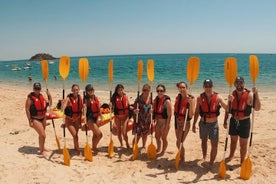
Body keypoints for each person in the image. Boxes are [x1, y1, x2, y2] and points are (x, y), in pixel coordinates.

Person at [224, 76, 261, 164]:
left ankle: (242, 161)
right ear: (234, 84)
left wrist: (257, 94)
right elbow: (228, 109)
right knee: (233, 141)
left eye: (241, 82)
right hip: (233, 120)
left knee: (243, 144)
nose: (239, 84)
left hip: (245, 122)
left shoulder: (250, 94)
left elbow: (257, 108)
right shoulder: (232, 94)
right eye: (237, 82)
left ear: (244, 83)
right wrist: (225, 121)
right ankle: (231, 156)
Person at [192, 79, 228, 168]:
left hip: (213, 124)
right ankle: (204, 157)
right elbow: (196, 112)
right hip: (203, 123)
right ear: (203, 87)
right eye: (206, 86)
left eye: (210, 86)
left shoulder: (218, 97)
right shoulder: (200, 98)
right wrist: (194, 124)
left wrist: (230, 101)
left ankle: (211, 162)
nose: (208, 88)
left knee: (214, 144)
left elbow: (227, 108)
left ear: (212, 86)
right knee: (203, 141)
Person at [25, 82, 52, 158]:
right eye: (36, 89)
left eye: (39, 89)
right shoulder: (30, 98)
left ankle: (42, 147)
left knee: (41, 135)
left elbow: (49, 104)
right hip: (35, 119)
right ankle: (42, 151)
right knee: (43, 135)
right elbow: (27, 110)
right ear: (33, 89)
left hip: (43, 118)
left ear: (40, 89)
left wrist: (49, 95)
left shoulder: (42, 96)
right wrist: (30, 120)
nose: (37, 90)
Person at [174, 81, 195, 163]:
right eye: (180, 87)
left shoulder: (191, 99)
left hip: (185, 123)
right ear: (178, 89)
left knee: (179, 142)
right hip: (177, 121)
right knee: (178, 141)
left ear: (187, 88)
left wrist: (190, 104)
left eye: (183, 87)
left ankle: (182, 158)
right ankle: (181, 156)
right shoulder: (177, 97)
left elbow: (191, 115)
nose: (182, 89)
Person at [62, 84, 83, 156]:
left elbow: (81, 111)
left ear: (79, 90)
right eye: (74, 90)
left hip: (77, 119)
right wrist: (63, 104)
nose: (75, 91)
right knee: (75, 135)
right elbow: (63, 107)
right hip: (69, 120)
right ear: (71, 90)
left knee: (75, 135)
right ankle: (78, 150)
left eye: (77, 90)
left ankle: (75, 147)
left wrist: (80, 123)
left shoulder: (80, 98)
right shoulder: (68, 98)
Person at [153, 84, 172, 156]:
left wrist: (166, 125)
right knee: (157, 136)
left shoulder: (167, 102)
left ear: (164, 91)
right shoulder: (156, 100)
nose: (159, 92)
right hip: (158, 122)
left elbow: (170, 115)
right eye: (158, 91)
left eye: (161, 91)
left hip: (165, 122)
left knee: (164, 138)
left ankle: (163, 151)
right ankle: (158, 148)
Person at [83, 84, 103, 154]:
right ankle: (94, 147)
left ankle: (94, 147)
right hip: (90, 119)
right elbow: (84, 107)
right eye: (89, 90)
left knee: (95, 134)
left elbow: (98, 108)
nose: (90, 91)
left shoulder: (95, 97)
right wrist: (84, 107)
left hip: (96, 117)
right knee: (100, 134)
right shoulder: (86, 99)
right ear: (86, 91)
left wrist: (101, 116)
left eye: (92, 90)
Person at [132, 84, 152, 151]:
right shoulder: (138, 99)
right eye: (144, 90)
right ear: (142, 90)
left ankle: (143, 146)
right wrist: (135, 111)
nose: (146, 91)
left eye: (147, 90)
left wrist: (152, 111)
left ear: (149, 90)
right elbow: (133, 108)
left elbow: (153, 108)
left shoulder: (151, 99)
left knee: (145, 134)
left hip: (147, 119)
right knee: (138, 135)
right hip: (139, 119)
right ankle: (134, 146)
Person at [111, 84, 130, 148]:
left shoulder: (126, 96)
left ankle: (127, 143)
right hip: (117, 117)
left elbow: (129, 106)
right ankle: (121, 143)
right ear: (116, 91)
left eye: (121, 90)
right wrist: (110, 105)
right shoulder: (114, 98)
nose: (120, 91)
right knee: (119, 131)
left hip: (125, 117)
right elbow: (112, 107)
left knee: (124, 133)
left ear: (123, 90)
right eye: (119, 90)